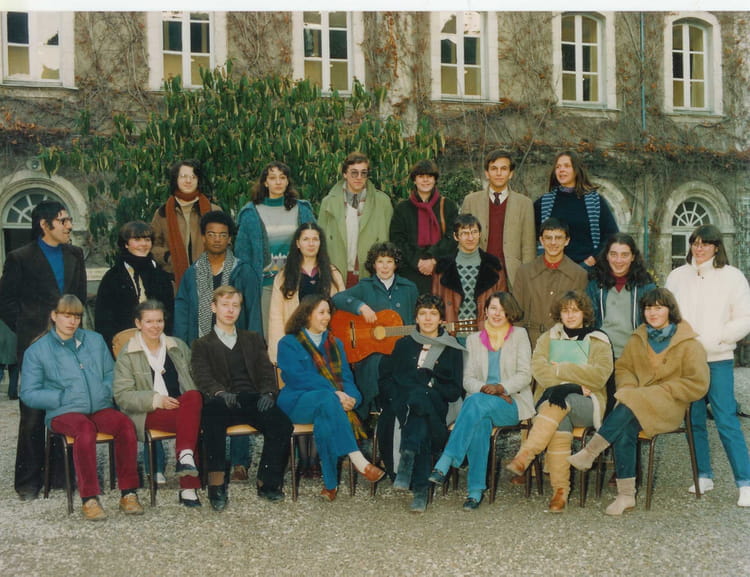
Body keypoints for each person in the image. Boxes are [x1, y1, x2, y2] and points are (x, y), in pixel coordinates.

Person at [568, 288, 710, 514]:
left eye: (659, 308)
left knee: (628, 403)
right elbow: (624, 368)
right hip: (636, 404)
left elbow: (698, 383)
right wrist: (628, 387)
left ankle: (591, 451)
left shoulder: (689, 344)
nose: (653, 313)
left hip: (669, 406)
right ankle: (626, 496)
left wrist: (664, 390)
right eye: (648, 308)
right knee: (625, 426)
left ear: (670, 310)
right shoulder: (638, 338)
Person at [20, 295, 144, 520]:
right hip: (64, 412)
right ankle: (89, 498)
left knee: (125, 425)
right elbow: (28, 393)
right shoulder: (37, 350)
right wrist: (60, 397)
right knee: (84, 430)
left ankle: (129, 493)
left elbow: (111, 373)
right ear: (54, 316)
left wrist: (105, 391)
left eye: (76, 316)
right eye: (66, 316)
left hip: (99, 406)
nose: (72, 322)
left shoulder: (95, 340)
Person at [0, 200, 86, 501]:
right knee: (34, 412)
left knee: (68, 405)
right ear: (44, 224)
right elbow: (5, 301)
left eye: (69, 220)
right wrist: (29, 329)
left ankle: (62, 476)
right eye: (63, 220)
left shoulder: (75, 254)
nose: (69, 225)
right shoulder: (20, 257)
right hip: (35, 344)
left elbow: (79, 299)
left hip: (69, 342)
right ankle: (28, 482)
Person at [665, 224, 750, 507]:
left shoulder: (733, 277)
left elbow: (744, 317)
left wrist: (719, 339)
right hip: (687, 361)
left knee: (727, 420)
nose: (699, 248)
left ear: (716, 247)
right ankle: (703, 475)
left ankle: (745, 483)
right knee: (694, 420)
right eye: (695, 243)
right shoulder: (677, 276)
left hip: (718, 359)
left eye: (705, 243)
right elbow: (668, 315)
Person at [506, 290, 613, 513]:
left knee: (561, 401)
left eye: (575, 310)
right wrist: (575, 380)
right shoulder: (548, 338)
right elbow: (539, 370)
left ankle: (526, 454)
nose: (570, 315)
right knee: (558, 419)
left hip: (588, 402)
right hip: (554, 401)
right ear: (559, 314)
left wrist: (561, 370)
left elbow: (599, 375)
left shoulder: (599, 340)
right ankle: (560, 492)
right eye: (565, 311)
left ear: (584, 313)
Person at [174, 210, 261, 482]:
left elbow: (253, 311)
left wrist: (253, 349)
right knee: (208, 403)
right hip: (203, 348)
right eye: (211, 234)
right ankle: (211, 461)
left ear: (230, 238)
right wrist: (183, 347)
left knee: (238, 397)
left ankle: (240, 462)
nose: (217, 239)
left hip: (236, 347)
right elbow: (183, 311)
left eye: (223, 234)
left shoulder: (242, 271)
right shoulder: (192, 273)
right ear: (203, 237)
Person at [428, 292, 533, 510]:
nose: (497, 314)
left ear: (509, 313)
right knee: (480, 423)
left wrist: (501, 388)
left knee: (475, 404)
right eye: (493, 308)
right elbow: (467, 379)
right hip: (480, 402)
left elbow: (525, 375)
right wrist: (486, 389)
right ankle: (475, 492)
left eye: (503, 310)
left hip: (510, 402)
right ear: (485, 311)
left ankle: (447, 459)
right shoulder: (474, 340)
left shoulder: (519, 335)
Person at [192, 286, 293, 511]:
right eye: (225, 305)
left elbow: (266, 372)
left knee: (282, 424)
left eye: (235, 306)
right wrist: (219, 393)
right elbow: (201, 375)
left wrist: (268, 393)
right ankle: (216, 486)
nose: (230, 310)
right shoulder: (202, 344)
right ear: (214, 308)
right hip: (222, 400)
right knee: (212, 420)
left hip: (252, 399)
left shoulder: (252, 339)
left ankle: (267, 482)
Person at [277, 295, 385, 501]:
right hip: (297, 404)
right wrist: (335, 392)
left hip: (328, 404)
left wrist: (352, 399)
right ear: (307, 315)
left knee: (326, 417)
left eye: (328, 312)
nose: (327, 317)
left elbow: (346, 377)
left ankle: (330, 486)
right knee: (328, 399)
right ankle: (359, 460)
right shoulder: (289, 342)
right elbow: (296, 377)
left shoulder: (336, 343)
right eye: (321, 312)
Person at [378, 294, 465, 513]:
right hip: (405, 404)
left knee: (421, 400)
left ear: (441, 319)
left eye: (433, 314)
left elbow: (454, 390)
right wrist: (398, 396)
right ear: (416, 318)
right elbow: (386, 378)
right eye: (423, 313)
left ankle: (408, 458)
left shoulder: (452, 349)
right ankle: (420, 490)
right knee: (420, 415)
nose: (427, 318)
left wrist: (431, 383)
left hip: (437, 404)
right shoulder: (403, 344)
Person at [113, 300, 203, 507]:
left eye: (159, 321)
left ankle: (185, 456)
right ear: (138, 323)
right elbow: (122, 395)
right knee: (190, 422)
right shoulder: (128, 353)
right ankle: (188, 486)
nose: (155, 326)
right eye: (149, 321)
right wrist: (156, 400)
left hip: (180, 407)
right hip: (147, 413)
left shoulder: (177, 346)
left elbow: (194, 379)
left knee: (193, 397)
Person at [332, 241, 418, 421]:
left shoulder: (409, 288)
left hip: (402, 351)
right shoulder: (365, 286)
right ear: (373, 264)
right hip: (370, 354)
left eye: (389, 261)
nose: (385, 266)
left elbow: (414, 320)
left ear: (396, 264)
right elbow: (337, 298)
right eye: (380, 261)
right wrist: (360, 307)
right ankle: (374, 413)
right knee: (376, 365)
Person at [235, 161, 316, 335]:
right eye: (272, 178)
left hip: (298, 282)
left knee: (301, 334)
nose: (278, 182)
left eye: (282, 177)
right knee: (270, 335)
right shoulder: (251, 213)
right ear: (265, 182)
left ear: (287, 181)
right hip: (266, 285)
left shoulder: (302, 210)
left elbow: (316, 243)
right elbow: (242, 255)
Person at [268, 222, 345, 364]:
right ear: (298, 243)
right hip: (297, 342)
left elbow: (342, 311)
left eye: (315, 239)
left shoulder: (333, 274)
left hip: (327, 342)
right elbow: (276, 317)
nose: (311, 244)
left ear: (320, 243)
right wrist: (279, 352)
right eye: (306, 239)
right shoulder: (284, 276)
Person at [460, 150, 536, 290]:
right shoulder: (471, 201)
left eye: (504, 169)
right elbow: (462, 240)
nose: (499, 173)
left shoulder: (524, 204)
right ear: (487, 173)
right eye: (494, 169)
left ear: (511, 173)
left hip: (511, 275)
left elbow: (528, 247)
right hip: (477, 272)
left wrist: (526, 278)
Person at [318, 151, 393, 288]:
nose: (359, 177)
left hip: (372, 274)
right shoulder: (328, 203)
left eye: (363, 173)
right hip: (337, 273)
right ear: (344, 174)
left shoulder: (383, 202)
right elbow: (320, 241)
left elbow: (390, 242)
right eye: (354, 173)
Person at [95, 221, 175, 350]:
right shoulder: (113, 278)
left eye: (147, 239)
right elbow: (103, 320)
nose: (143, 244)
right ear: (126, 244)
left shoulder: (161, 276)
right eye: (137, 239)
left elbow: (170, 314)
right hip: (125, 346)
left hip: (158, 344)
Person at [512, 217, 588, 347]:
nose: (553, 243)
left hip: (564, 344)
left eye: (558, 238)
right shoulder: (524, 272)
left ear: (567, 241)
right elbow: (515, 315)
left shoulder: (579, 275)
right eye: (548, 238)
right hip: (529, 343)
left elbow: (582, 318)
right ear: (541, 240)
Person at [534, 150, 618, 266]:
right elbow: (530, 235)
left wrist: (594, 258)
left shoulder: (595, 201)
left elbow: (612, 234)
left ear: (576, 170)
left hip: (587, 268)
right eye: (558, 167)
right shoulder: (544, 203)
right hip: (553, 268)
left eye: (567, 166)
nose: (561, 170)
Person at [389, 159, 458, 294]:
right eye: (421, 176)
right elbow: (397, 240)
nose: (425, 180)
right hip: (410, 272)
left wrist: (433, 259)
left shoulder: (448, 206)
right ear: (414, 180)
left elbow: (452, 237)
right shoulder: (402, 208)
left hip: (441, 270)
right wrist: (417, 261)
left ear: (435, 179)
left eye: (429, 176)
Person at [432, 213, 507, 335]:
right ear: (456, 236)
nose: (470, 238)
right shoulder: (442, 267)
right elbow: (436, 302)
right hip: (452, 334)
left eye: (474, 232)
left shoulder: (494, 265)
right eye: (465, 233)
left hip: (485, 333)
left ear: (480, 234)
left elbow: (503, 302)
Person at [151, 159, 221, 287]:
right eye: (183, 176)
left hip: (210, 281)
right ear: (176, 179)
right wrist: (167, 256)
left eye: (193, 177)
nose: (188, 181)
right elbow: (153, 245)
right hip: (173, 282)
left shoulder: (213, 211)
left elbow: (225, 243)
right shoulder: (162, 213)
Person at [586, 233, 656, 358]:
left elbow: (655, 324)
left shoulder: (646, 287)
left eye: (624, 255)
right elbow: (587, 322)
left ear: (633, 257)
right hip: (601, 356)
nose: (618, 260)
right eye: (613, 254)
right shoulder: (595, 286)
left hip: (635, 356)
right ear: (607, 256)